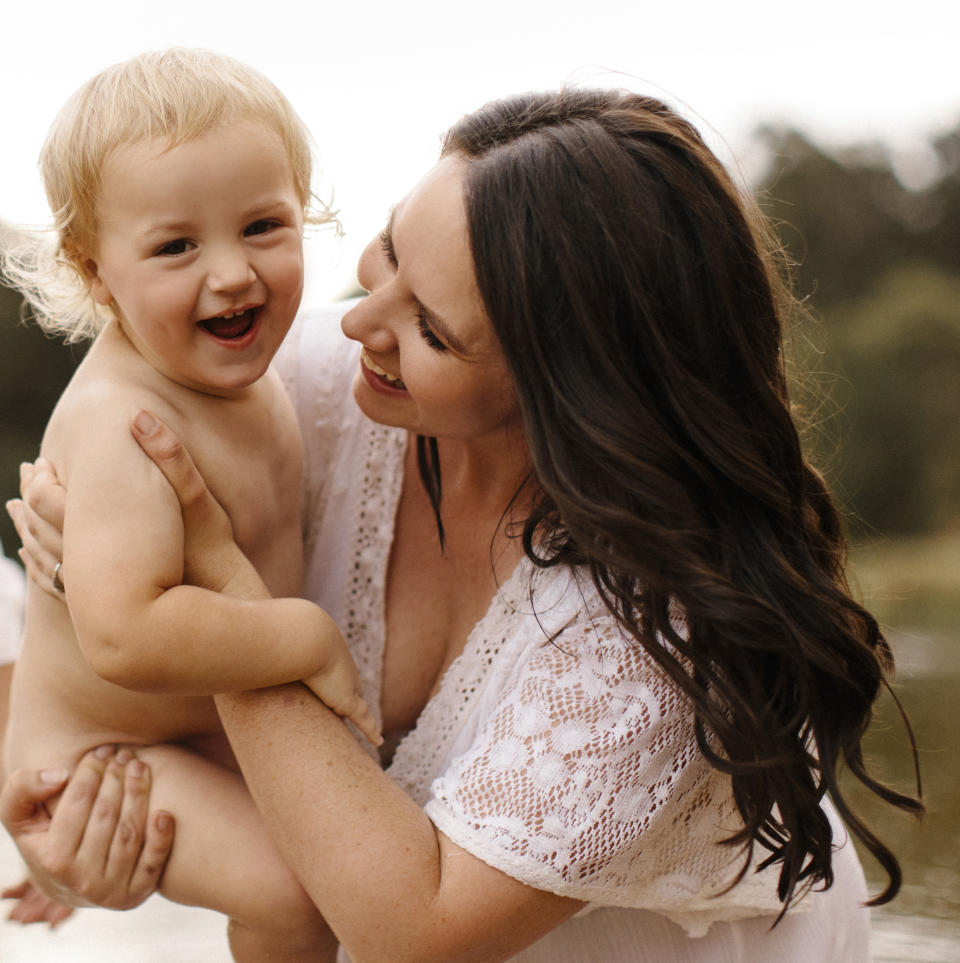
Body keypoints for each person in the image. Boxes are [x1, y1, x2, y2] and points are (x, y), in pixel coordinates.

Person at [3, 88, 921, 962]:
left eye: (433, 330)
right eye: (389, 249)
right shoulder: (316, 388)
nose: (359, 319)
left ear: (570, 391)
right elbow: (83, 622)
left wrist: (218, 581)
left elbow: (416, 931)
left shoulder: (665, 630)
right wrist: (89, 822)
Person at [1, 48, 379, 961]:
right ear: (96, 274)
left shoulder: (249, 378)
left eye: (262, 225)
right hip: (105, 758)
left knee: (360, 858)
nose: (233, 274)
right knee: (304, 893)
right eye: (177, 246)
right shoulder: (125, 420)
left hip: (203, 733)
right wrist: (305, 636)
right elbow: (126, 634)